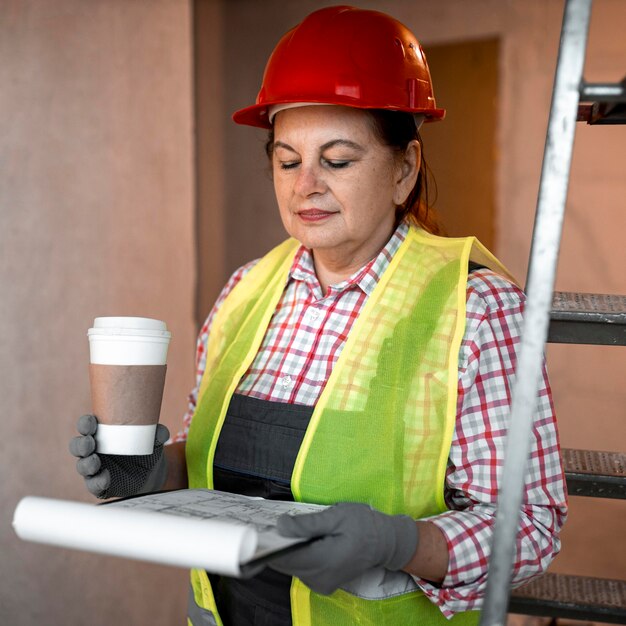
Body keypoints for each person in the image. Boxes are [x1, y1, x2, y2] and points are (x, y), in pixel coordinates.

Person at [70, 6, 567, 625]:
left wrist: (402, 543)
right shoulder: (245, 293)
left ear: (404, 169)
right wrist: (156, 470)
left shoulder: (477, 311)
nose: (305, 185)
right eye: (286, 160)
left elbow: (529, 527)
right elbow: (211, 461)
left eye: (336, 160)